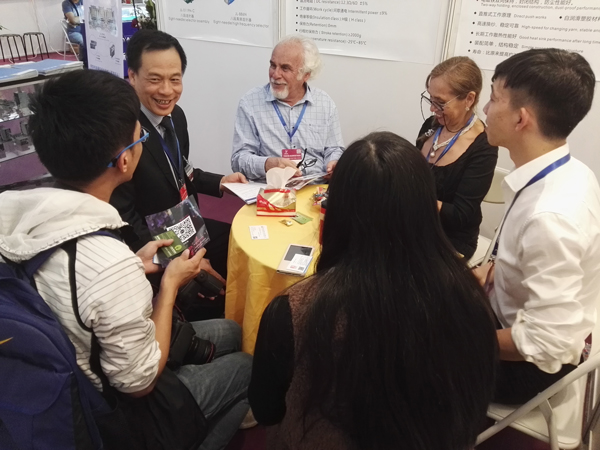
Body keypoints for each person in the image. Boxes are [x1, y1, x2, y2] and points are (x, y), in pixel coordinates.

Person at [0, 70, 252, 450]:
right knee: (249, 367)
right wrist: (169, 286)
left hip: (77, 364)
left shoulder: (16, 212)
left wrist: (133, 262)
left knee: (232, 332)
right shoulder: (108, 264)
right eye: (140, 138)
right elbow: (140, 383)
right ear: (124, 161)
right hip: (121, 409)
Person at [248, 132, 498, 450]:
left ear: (337, 210)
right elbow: (474, 404)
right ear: (425, 206)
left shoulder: (293, 310)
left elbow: (266, 410)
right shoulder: (470, 298)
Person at [474, 48, 600, 404]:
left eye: (494, 98)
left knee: (407, 348)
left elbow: (546, 344)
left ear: (521, 119)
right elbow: (527, 255)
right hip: (508, 312)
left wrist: (461, 339)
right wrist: (492, 269)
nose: (485, 110)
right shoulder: (566, 170)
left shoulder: (551, 218)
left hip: (526, 365)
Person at [110, 30, 246, 319]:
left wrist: (220, 182)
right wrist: (179, 260)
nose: (166, 91)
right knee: (208, 293)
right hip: (152, 238)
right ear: (132, 76)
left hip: (184, 222)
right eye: (155, 79)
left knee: (238, 240)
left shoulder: (177, 116)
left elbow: (180, 169)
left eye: (175, 79)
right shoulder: (123, 132)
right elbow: (124, 217)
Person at [416, 56, 498, 260]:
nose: (432, 109)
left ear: (469, 99)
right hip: (417, 224)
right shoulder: (431, 125)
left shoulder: (484, 146)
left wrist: (415, 199)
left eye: (440, 102)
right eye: (430, 99)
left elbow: (462, 214)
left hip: (451, 239)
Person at [231, 34, 344, 182]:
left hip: (314, 188)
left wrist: (334, 163)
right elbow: (238, 159)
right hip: (269, 190)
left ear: (305, 75)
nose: (275, 74)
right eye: (273, 65)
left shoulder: (325, 103)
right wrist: (267, 164)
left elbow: (334, 149)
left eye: (285, 68)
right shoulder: (250, 103)